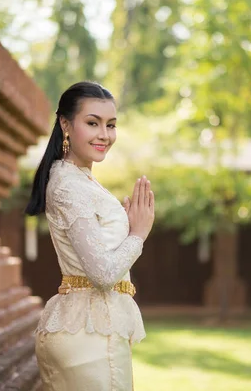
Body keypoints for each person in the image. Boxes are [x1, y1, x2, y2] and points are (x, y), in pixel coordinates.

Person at [25, 81, 155, 391]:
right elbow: (102, 274)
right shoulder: (69, 185)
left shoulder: (79, 180)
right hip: (88, 339)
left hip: (89, 330)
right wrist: (138, 234)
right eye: (92, 123)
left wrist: (121, 228)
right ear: (66, 124)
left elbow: (99, 258)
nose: (104, 135)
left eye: (111, 125)